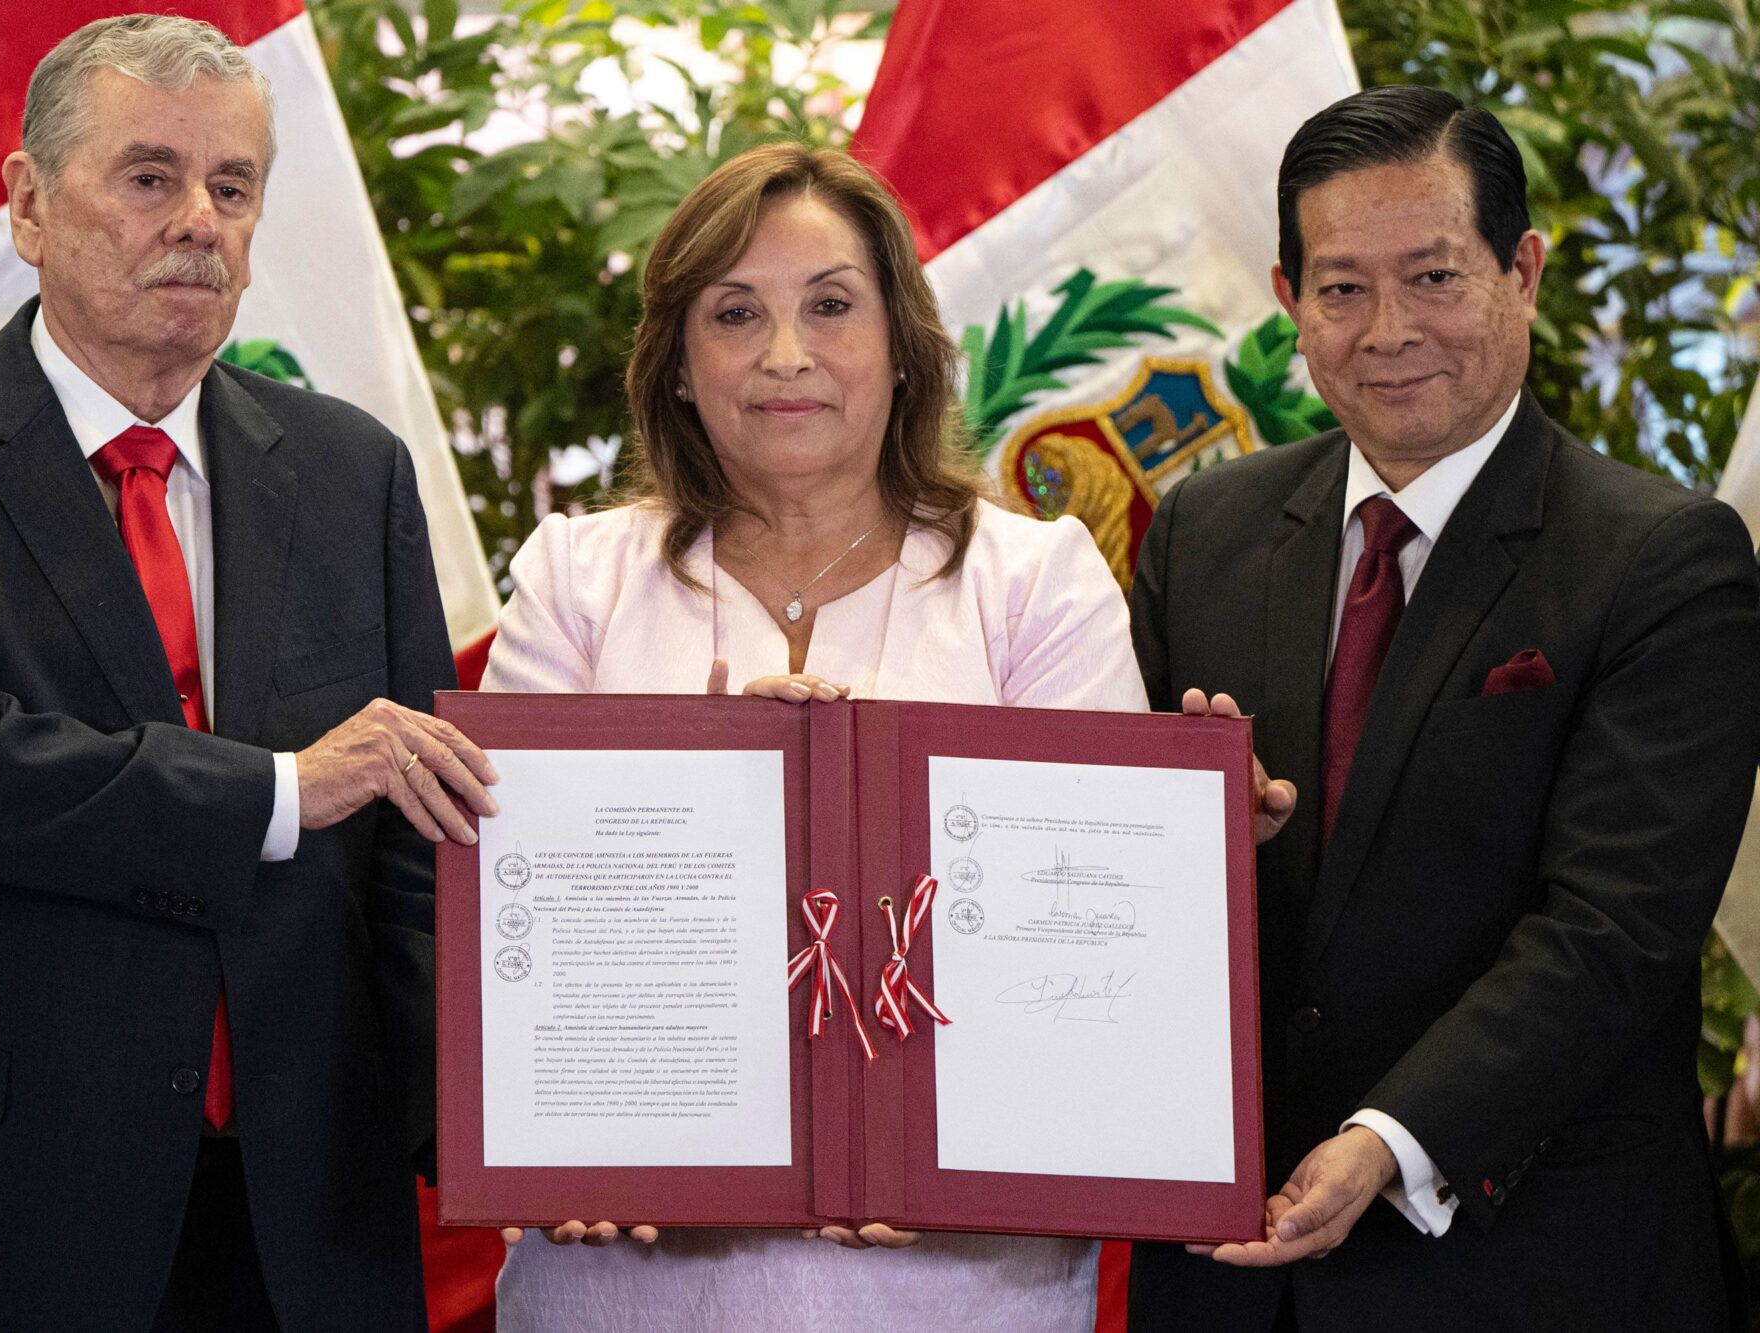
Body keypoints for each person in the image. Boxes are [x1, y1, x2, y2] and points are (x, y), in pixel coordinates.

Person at [479, 139, 1291, 1332]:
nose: (785, 353)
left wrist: (1177, 849)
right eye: (734, 313)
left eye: (830, 305)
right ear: (678, 366)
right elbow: (518, 923)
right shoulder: (576, 576)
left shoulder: (1033, 580)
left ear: (903, 347)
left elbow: (1079, 955)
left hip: (962, 1281)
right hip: (626, 1282)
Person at [0, 16, 496, 1331]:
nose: (199, 220)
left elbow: (411, 854)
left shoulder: (352, 472)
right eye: (150, 176)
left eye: (233, 185)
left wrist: (516, 1138)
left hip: (298, 1220)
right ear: (30, 205)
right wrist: (280, 790)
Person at [1126, 85, 1760, 1332]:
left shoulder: (1662, 558)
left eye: (1432, 277)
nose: (1387, 330)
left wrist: (1386, 1139)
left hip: (1529, 1265)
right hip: (1227, 1271)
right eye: (1341, 287)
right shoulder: (1204, 529)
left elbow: (1613, 929)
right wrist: (1189, 836)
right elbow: (1103, 862)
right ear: (1287, 298)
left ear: (1521, 271)